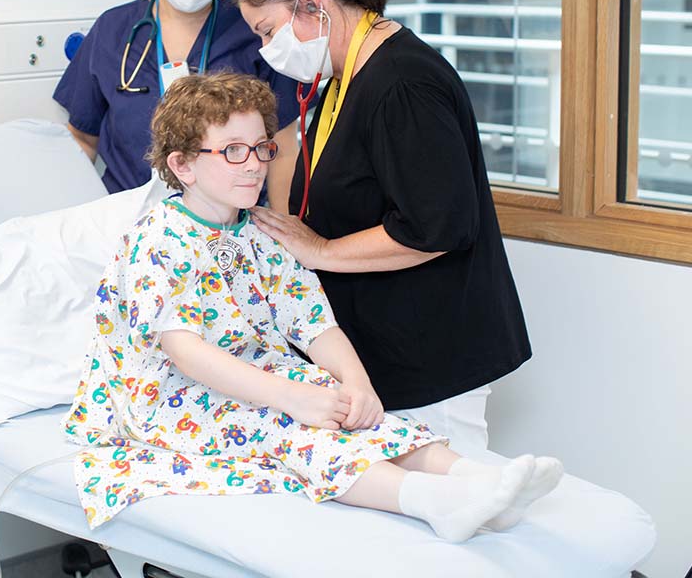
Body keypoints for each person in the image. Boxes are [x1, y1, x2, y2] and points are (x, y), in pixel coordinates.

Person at [63, 73, 561, 539]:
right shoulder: (159, 240)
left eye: (261, 147)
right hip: (172, 396)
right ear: (183, 164)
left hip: (255, 372)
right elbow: (187, 353)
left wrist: (359, 385)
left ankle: (480, 480)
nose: (256, 163)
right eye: (233, 150)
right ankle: (431, 502)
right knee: (288, 426)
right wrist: (287, 397)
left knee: (344, 405)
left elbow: (312, 322)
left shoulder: (260, 229)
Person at [232, 0, 532, 458]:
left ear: (311, 5)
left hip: (434, 360)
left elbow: (436, 227)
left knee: (457, 509)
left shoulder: (403, 85)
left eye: (267, 30)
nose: (266, 49)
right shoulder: (348, 77)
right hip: (387, 358)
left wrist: (319, 250)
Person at [53, 0, 304, 207]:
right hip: (127, 224)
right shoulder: (113, 31)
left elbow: (284, 148)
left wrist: (283, 232)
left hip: (229, 231)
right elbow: (82, 140)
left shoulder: (253, 33)